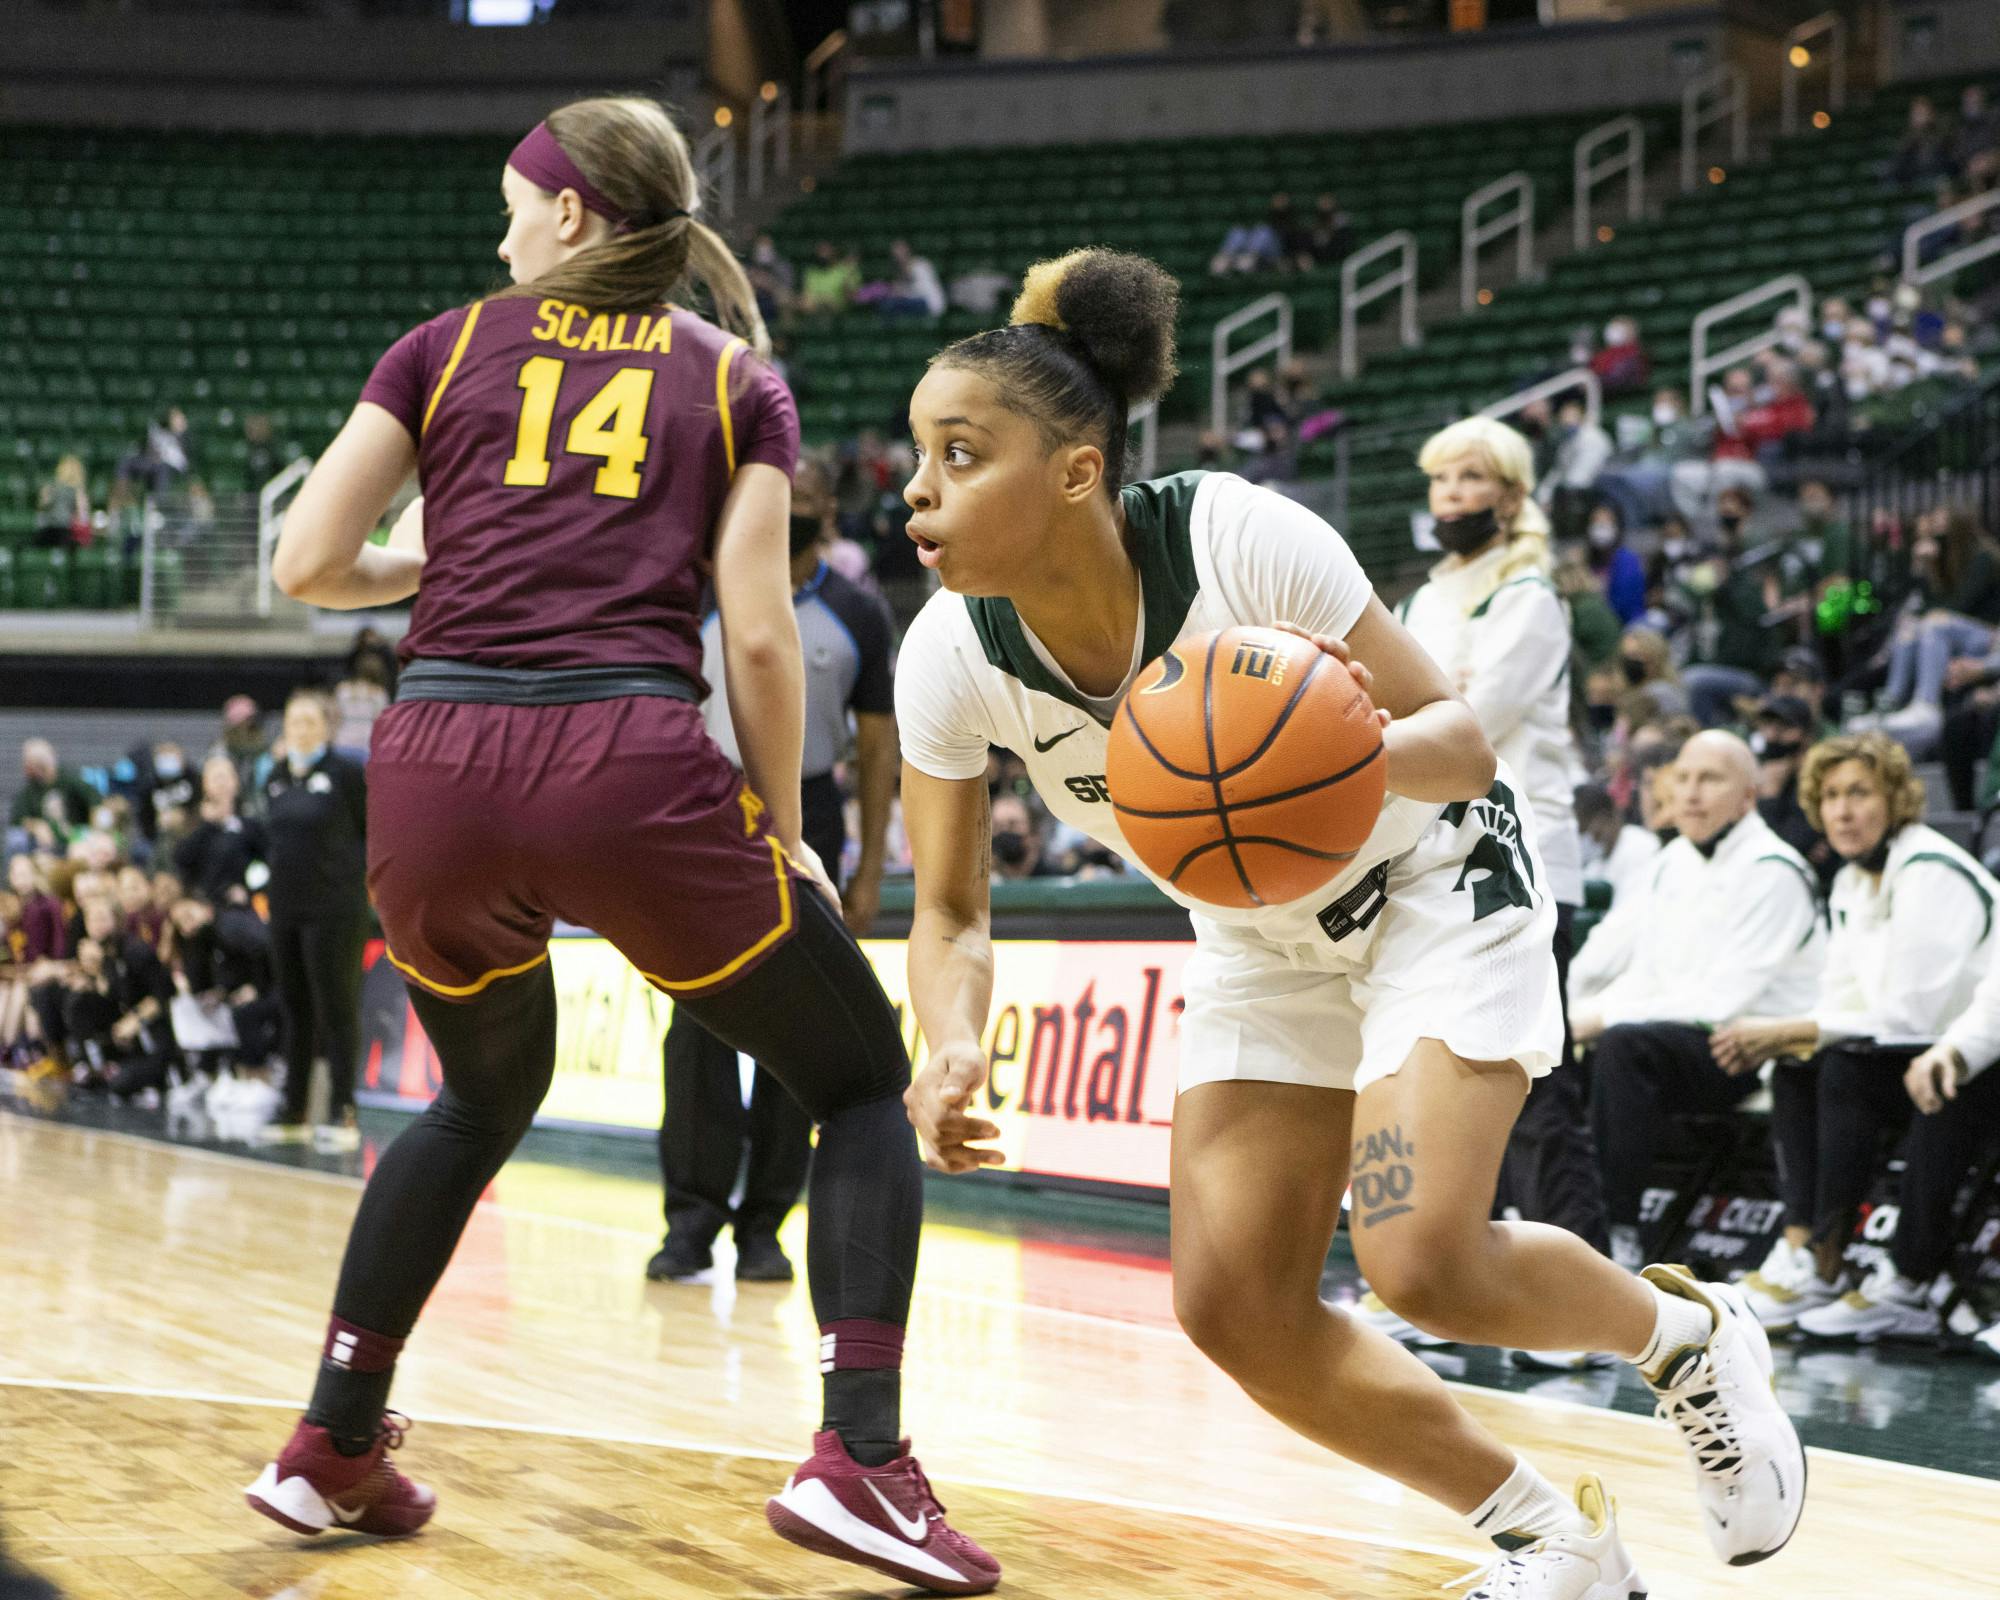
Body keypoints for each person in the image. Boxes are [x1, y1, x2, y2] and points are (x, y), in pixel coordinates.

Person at [895, 247, 1807, 1598]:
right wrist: (952, 1041)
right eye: (919, 453)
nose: (918, 487)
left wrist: (1313, 763)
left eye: (960, 453)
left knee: (1422, 1257)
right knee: (1231, 1306)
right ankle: (1554, 1540)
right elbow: (954, 912)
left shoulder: (1232, 536)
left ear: (1077, 471)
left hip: (1434, 883)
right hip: (1258, 939)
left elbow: (1458, 738)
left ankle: (1687, 1335)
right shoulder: (951, 658)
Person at [247, 97, 995, 1594]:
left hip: (436, 771)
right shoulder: (735, 381)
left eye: (516, 201)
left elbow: (309, 563)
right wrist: (778, 830)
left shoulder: (442, 346)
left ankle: (332, 1439)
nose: (500, 227)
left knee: (475, 1101)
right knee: (855, 1078)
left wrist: (430, 559)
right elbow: (763, 638)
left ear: (576, 213)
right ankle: (858, 1456)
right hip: (624, 762)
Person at [1383, 416, 1610, 1373]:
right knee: (1430, 1069)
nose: (1451, 499)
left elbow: (1466, 717)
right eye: (1439, 481)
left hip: (1525, 862)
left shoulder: (1529, 595)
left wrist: (1413, 706)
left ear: (1512, 497)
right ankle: (1446, 1279)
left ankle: (1587, 1295)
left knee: (1533, 1083)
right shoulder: (1428, 594)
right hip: (1437, 859)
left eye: (1470, 480)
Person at [649, 460, 901, 1285]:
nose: (789, 513)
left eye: (806, 503)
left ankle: (767, 1227)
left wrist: (862, 868)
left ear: (827, 514)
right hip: (706, 813)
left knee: (799, 1033)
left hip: (813, 813)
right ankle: (690, 1223)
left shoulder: (858, 612)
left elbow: (875, 748)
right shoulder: (700, 596)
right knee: (697, 1030)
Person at [1707, 732, 1996, 1333]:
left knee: (1845, 1065)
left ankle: (1899, 1281)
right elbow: (1845, 1000)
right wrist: (1791, 1036)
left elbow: (1907, 1015)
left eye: (1860, 793)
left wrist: (1788, 1026)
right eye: (1831, 795)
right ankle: (1809, 1257)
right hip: (1923, 1052)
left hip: (1975, 1056)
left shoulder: (1930, 870)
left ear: (1895, 799)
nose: (1842, 811)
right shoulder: (1850, 881)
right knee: (1799, 1061)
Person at [1570, 732, 1826, 1270]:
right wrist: (1573, 1018)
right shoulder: (1672, 861)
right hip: (1680, 1037)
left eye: (1710, 780)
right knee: (1551, 1048)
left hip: (1751, 1051)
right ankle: (1539, 1219)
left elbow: (1721, 1001)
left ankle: (1614, 1238)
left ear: (1749, 797)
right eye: (1682, 778)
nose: (1690, 793)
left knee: (1622, 1046)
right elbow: (1645, 976)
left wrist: (1600, 1018)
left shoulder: (1773, 870)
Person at [252, 690, 371, 1155]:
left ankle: (343, 1108)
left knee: (337, 1008)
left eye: (308, 720)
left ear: (327, 725)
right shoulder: (277, 775)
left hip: (335, 909)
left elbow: (369, 831)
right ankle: (294, 1108)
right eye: (292, 719)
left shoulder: (346, 774)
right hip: (285, 909)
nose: (299, 727)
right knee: (295, 1009)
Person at [171, 755, 265, 905]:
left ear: (236, 783)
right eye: (216, 778)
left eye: (226, 777)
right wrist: (209, 825)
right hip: (203, 902)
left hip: (245, 902)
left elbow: (265, 860)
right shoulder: (191, 821)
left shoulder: (251, 823)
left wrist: (249, 889)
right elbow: (181, 860)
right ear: (205, 784)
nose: (221, 783)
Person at [1573, 782, 1659, 905]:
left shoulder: (1640, 845)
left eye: (1587, 829)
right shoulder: (1597, 863)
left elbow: (1636, 906)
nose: (1588, 838)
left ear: (1603, 817)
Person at [10, 741, 97, 834]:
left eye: (29, 764)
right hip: (46, 841)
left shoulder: (69, 780)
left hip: (77, 836)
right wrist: (37, 826)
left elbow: (95, 803)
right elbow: (19, 818)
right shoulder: (31, 789)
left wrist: (94, 831)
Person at [34, 455, 90, 548]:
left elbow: (41, 509)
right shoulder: (52, 487)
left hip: (62, 530)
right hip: (57, 530)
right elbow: (83, 517)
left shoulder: (77, 492)